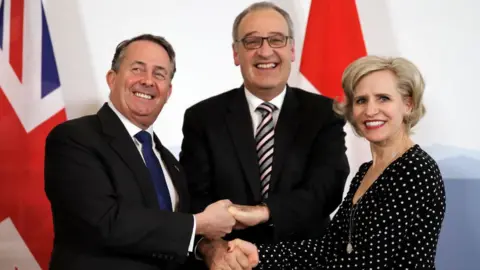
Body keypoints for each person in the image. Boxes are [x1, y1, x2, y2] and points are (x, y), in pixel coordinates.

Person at [44, 34, 258, 270]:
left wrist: (208, 248)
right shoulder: (74, 138)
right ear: (112, 78)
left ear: (168, 91)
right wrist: (198, 224)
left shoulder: (169, 162)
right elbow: (103, 223)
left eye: (159, 74)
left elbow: (165, 236)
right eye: (137, 69)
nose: (147, 81)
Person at [228, 55, 447, 269]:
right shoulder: (365, 172)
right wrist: (259, 255)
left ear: (408, 104)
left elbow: (368, 262)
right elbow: (331, 246)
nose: (370, 111)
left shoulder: (415, 169)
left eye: (383, 98)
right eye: (361, 100)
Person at [179, 2, 350, 269]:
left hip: (303, 261)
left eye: (276, 39)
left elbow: (325, 191)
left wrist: (263, 212)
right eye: (252, 41)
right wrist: (213, 249)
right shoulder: (202, 117)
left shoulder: (325, 114)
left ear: (292, 50)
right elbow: (195, 198)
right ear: (236, 54)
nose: (265, 51)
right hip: (230, 263)